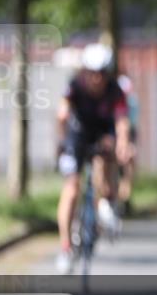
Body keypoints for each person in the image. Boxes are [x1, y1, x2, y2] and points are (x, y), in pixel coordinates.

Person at [54, 43, 132, 273]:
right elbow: (62, 114)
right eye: (92, 73)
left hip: (102, 133)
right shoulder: (75, 86)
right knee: (72, 188)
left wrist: (123, 143)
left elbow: (122, 122)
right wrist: (61, 142)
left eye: (102, 74)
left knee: (108, 158)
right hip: (77, 135)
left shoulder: (115, 90)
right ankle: (66, 247)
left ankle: (106, 204)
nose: (97, 79)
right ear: (85, 72)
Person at [116, 74, 139, 216]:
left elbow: (131, 126)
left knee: (129, 164)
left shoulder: (132, 102)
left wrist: (128, 144)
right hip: (114, 134)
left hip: (128, 135)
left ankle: (125, 199)